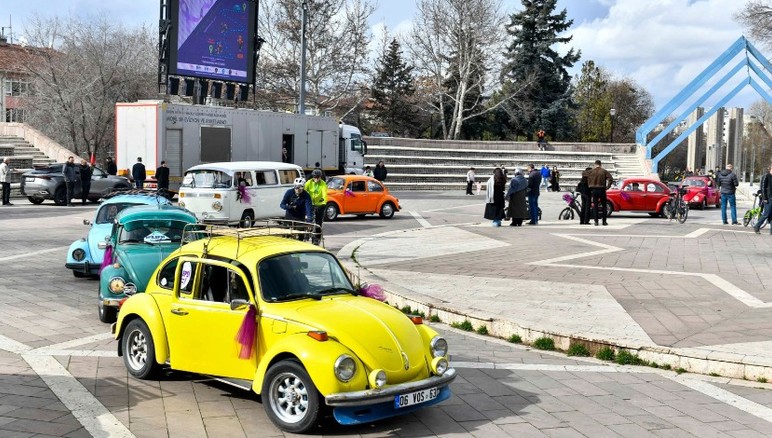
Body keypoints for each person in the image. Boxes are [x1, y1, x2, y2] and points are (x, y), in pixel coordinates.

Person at [587, 159, 614, 226]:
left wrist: (589, 185)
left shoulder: (591, 171)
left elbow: (587, 178)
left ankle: (596, 221)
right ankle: (604, 221)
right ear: (600, 164)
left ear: (595, 164)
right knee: (604, 206)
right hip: (602, 189)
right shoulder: (604, 171)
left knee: (595, 206)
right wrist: (607, 187)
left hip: (594, 190)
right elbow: (610, 179)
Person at [304, 169, 328, 245]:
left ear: (320, 177)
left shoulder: (323, 184)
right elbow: (304, 191)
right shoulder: (309, 183)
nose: (317, 179)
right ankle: (306, 233)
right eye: (315, 177)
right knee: (308, 218)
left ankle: (317, 238)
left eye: (318, 177)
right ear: (313, 177)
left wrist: (324, 202)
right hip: (310, 204)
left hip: (319, 204)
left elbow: (324, 194)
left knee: (318, 222)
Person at [754, 165, 772, 234]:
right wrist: (764, 198)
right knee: (766, 214)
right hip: (768, 198)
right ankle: (757, 226)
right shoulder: (766, 176)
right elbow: (763, 188)